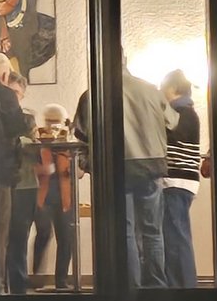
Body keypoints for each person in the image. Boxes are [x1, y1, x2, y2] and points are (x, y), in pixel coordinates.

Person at [74, 60, 178, 288]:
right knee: (153, 231)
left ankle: (131, 286)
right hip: (151, 165)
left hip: (116, 168)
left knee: (125, 231)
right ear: (125, 61)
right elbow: (172, 122)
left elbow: (81, 133)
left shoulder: (92, 94)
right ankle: (157, 286)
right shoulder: (150, 89)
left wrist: (88, 163)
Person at [161, 71, 203, 289]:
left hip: (175, 180)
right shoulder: (189, 112)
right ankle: (182, 285)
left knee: (176, 237)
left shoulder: (180, 112)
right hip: (185, 181)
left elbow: (168, 141)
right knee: (177, 235)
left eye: (163, 87)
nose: (161, 91)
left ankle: (184, 288)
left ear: (173, 88)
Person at [31, 103, 78, 291]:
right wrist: (41, 169)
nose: (52, 126)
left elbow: (79, 171)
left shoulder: (69, 144)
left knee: (65, 238)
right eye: (49, 121)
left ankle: (61, 281)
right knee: (43, 233)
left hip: (65, 197)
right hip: (43, 196)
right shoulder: (38, 143)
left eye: (56, 122)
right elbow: (29, 167)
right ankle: (37, 277)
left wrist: (74, 166)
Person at [4, 74, 38, 294]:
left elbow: (34, 146)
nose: (13, 97)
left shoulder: (28, 119)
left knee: (19, 235)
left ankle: (18, 284)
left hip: (25, 184)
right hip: (5, 183)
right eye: (10, 92)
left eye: (17, 93)